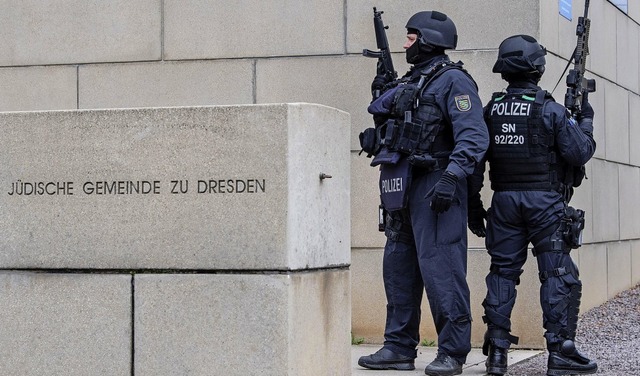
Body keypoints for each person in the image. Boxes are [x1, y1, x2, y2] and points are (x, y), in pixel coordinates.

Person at [357, 10, 489, 376]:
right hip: (401, 186)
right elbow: (395, 128)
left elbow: (474, 137)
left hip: (436, 185)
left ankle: (452, 352)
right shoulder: (409, 82)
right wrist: (378, 135)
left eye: (411, 38)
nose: (404, 45)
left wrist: (453, 176)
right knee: (397, 269)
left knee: (443, 270)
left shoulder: (454, 82)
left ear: (430, 40)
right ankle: (398, 348)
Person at [467, 34, 598, 376]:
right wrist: (585, 119)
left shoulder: (490, 109)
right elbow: (580, 152)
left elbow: (475, 162)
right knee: (557, 273)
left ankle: (497, 355)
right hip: (544, 203)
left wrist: (473, 206)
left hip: (504, 203)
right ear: (537, 68)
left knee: (502, 273)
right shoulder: (550, 109)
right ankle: (560, 352)